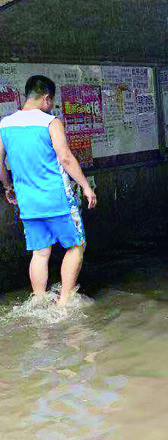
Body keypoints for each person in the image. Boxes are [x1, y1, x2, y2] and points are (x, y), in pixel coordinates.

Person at [0, 74, 97, 306]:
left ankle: (40, 301)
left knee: (40, 252)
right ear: (46, 98)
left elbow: (0, 162)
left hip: (28, 202)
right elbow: (64, 157)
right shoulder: (50, 122)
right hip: (57, 199)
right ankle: (64, 303)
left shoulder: (4, 124)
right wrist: (86, 187)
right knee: (76, 246)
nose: (50, 106)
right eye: (50, 102)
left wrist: (7, 186)